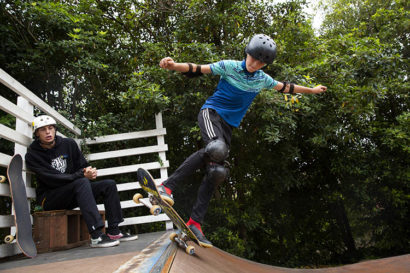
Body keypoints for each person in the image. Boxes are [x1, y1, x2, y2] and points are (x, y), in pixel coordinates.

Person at [158, 34, 327, 247]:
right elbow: (197, 69)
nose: (255, 64)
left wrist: (311, 90)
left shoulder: (262, 79)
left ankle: (195, 223)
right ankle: (166, 186)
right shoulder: (229, 67)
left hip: (227, 127)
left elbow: (286, 87)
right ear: (247, 52)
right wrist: (173, 66)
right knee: (216, 149)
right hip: (211, 114)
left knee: (217, 172)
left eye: (261, 62)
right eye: (253, 58)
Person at [25, 115, 138, 248]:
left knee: (108, 185)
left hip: (72, 192)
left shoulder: (68, 144)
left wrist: (89, 172)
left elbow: (82, 166)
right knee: (81, 182)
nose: (48, 132)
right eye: (43, 129)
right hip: (50, 198)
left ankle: (114, 231)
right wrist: (81, 175)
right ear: (37, 133)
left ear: (55, 130)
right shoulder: (33, 155)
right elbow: (52, 179)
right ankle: (96, 236)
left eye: (50, 128)